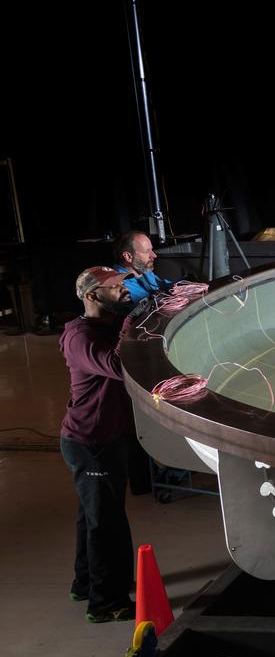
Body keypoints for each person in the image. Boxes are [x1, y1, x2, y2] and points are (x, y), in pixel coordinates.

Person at [59, 266, 140, 622]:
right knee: (106, 523)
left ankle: (85, 583)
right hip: (91, 442)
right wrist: (130, 323)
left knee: (91, 516)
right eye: (116, 287)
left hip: (103, 438)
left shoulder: (102, 326)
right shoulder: (80, 337)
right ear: (92, 296)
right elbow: (117, 364)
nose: (125, 290)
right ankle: (107, 602)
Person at [112, 231, 173, 302]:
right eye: (147, 251)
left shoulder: (142, 269)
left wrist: (178, 285)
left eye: (151, 250)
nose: (154, 255)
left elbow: (162, 284)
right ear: (128, 257)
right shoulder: (119, 287)